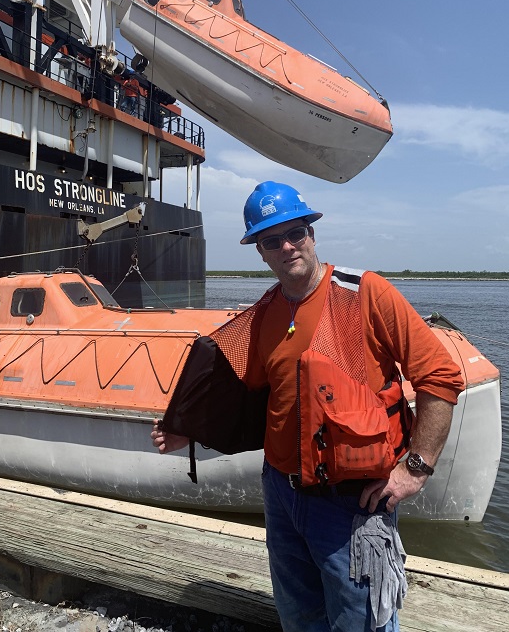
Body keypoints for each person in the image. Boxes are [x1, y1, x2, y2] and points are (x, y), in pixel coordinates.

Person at [152, 181, 464, 632]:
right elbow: (250, 398)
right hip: (281, 494)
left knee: (363, 621)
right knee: (298, 617)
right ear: (259, 251)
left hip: (354, 499)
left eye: (295, 233)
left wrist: (416, 467)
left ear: (312, 233)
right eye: (271, 240)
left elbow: (440, 377)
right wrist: (192, 428)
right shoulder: (264, 312)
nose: (287, 246)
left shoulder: (367, 293)